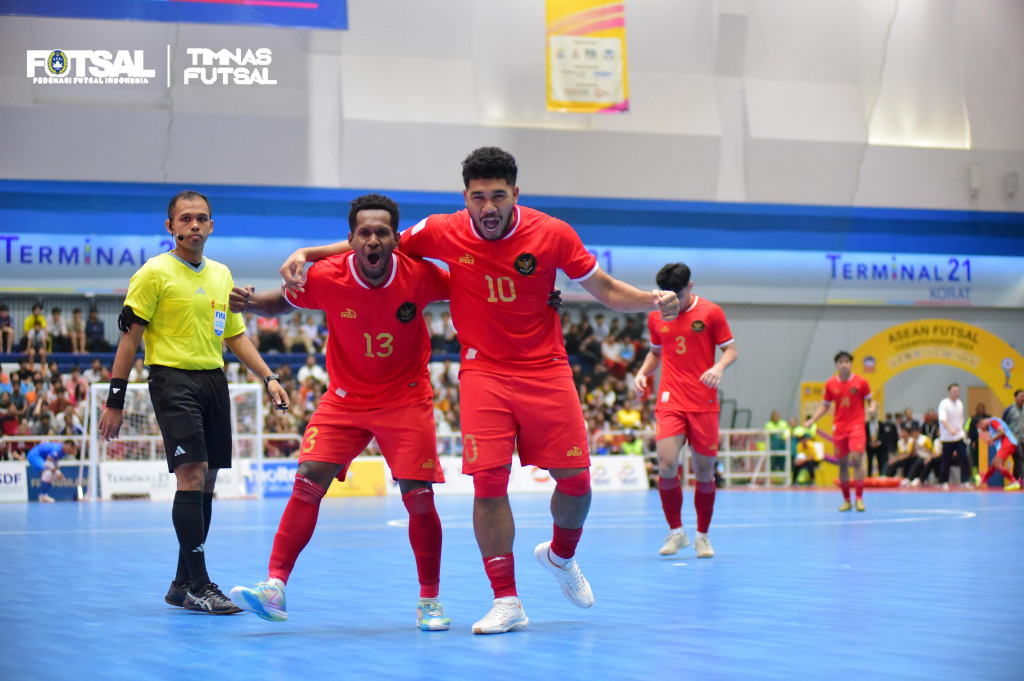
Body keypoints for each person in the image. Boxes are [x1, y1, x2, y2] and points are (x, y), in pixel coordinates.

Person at [280, 147, 679, 635]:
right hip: (482, 371)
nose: (488, 208)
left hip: (547, 369)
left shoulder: (552, 233)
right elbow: (375, 246)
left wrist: (652, 302)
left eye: (497, 196)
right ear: (464, 198)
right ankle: (506, 599)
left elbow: (607, 289)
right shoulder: (440, 230)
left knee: (576, 481)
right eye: (478, 197)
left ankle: (560, 556)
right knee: (489, 485)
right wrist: (307, 254)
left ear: (516, 193)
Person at [227, 194, 454, 631]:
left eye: (382, 232)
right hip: (346, 398)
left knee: (418, 494)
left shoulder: (421, 275)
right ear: (350, 239)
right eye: (364, 232)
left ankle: (430, 601)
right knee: (309, 475)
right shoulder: (328, 275)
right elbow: (281, 301)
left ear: (396, 239)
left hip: (405, 397)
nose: (373, 239)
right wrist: (249, 303)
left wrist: (539, 299)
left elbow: (474, 290)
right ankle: (274, 588)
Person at [98, 190, 289, 615]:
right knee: (192, 473)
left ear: (212, 226)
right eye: (185, 219)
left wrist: (269, 376)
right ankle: (201, 585)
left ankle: (181, 583)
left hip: (213, 381)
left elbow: (235, 336)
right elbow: (130, 340)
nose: (194, 225)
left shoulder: (222, 275)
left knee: (207, 482)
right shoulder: (152, 273)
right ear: (170, 228)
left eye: (202, 218)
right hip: (172, 380)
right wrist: (116, 399)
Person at [633, 262, 736, 559]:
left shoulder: (711, 313)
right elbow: (656, 353)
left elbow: (731, 350)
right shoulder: (655, 317)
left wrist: (718, 366)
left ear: (689, 287)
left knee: (704, 474)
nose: (669, 301)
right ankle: (676, 532)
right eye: (664, 295)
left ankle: (702, 536)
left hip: (704, 403)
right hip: (670, 400)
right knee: (666, 466)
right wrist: (642, 373)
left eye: (675, 294)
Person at [805, 351, 876, 511]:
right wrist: (812, 420)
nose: (844, 365)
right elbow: (825, 405)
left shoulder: (861, 382)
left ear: (851, 364)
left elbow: (871, 402)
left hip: (857, 426)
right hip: (839, 428)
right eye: (841, 362)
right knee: (843, 464)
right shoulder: (831, 384)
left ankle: (859, 498)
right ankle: (846, 499)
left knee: (857, 459)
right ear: (837, 365)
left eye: (847, 362)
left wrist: (872, 409)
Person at [937, 383, 972, 489]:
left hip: (959, 436)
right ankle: (944, 482)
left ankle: (965, 481)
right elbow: (942, 419)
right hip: (947, 437)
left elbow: (961, 419)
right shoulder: (944, 403)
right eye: (954, 391)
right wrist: (950, 429)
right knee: (946, 459)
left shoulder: (960, 404)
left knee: (964, 457)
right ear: (949, 392)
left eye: (958, 391)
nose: (957, 393)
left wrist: (961, 432)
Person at [976, 416, 1021, 490]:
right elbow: (999, 437)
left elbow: (1002, 432)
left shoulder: (992, 421)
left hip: (1008, 443)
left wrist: (991, 439)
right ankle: (982, 480)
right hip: (1008, 443)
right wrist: (992, 441)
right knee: (994, 463)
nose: (984, 430)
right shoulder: (992, 425)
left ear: (981, 423)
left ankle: (1014, 481)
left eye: (982, 428)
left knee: (998, 464)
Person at [865, 405, 894, 477]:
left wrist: (879, 442)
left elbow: (883, 435)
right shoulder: (866, 424)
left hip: (879, 447)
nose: (872, 414)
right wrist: (869, 443)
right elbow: (865, 435)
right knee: (870, 462)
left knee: (880, 461)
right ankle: (869, 476)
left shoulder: (880, 424)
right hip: (870, 446)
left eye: (873, 412)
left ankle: (881, 475)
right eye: (871, 413)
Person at [1001, 390, 1024, 483]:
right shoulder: (1009, 410)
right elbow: (1003, 424)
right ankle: (1022, 478)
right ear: (1015, 397)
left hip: (1022, 438)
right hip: (1013, 439)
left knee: (1019, 460)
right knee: (1020, 458)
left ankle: (1015, 480)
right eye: (1020, 397)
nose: (1022, 399)